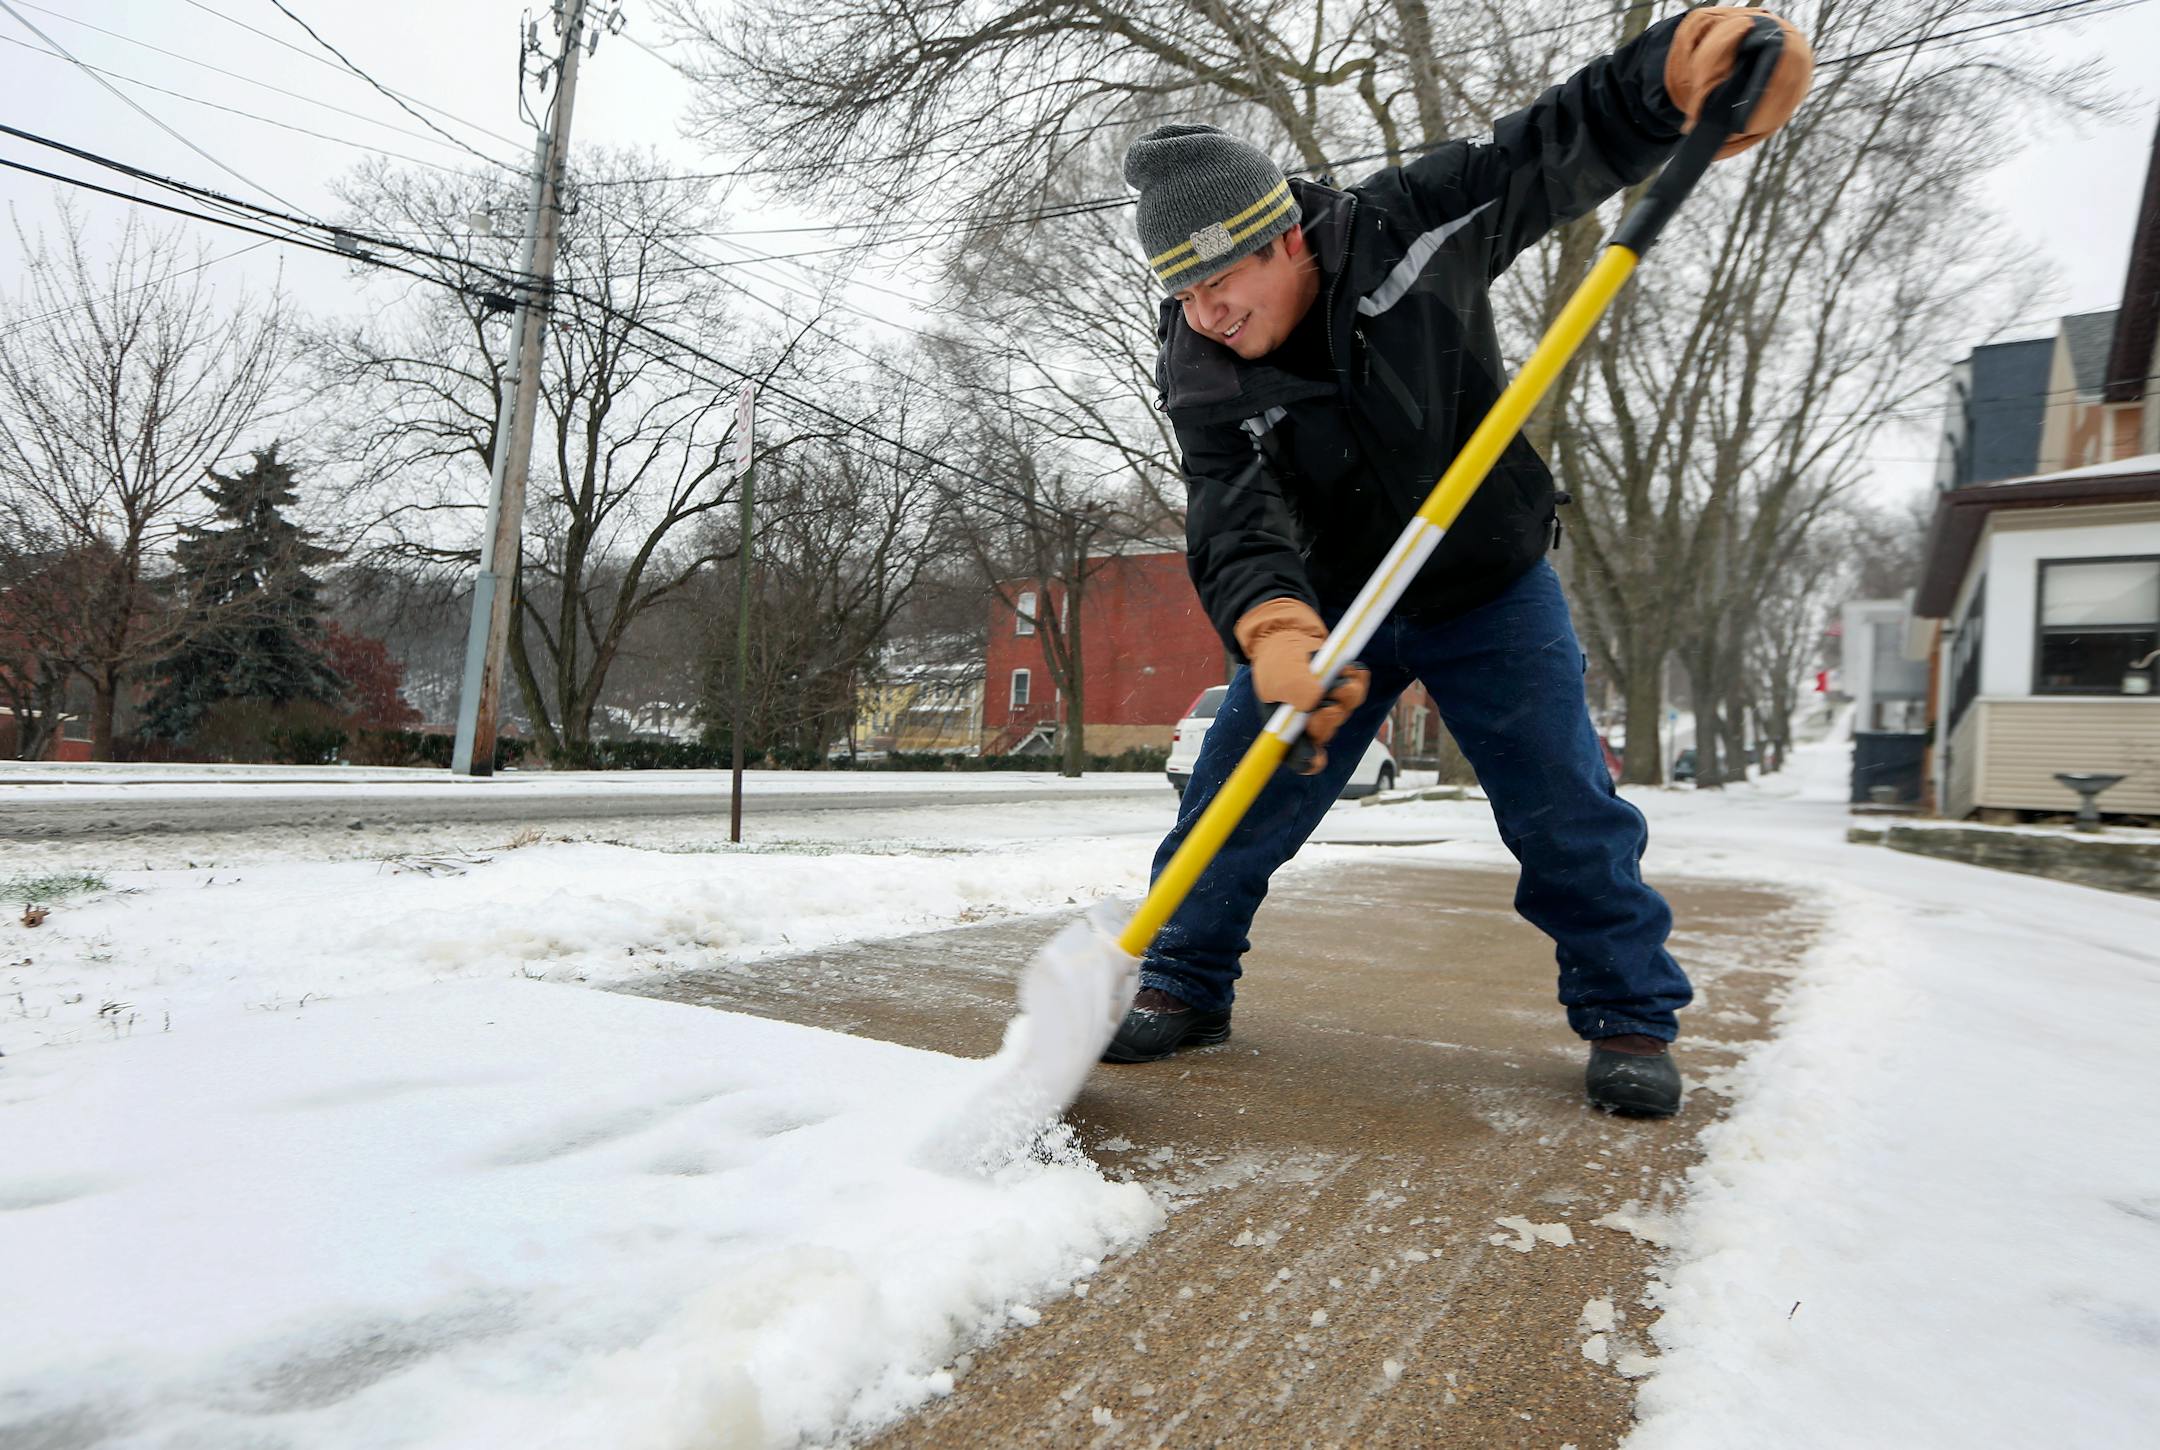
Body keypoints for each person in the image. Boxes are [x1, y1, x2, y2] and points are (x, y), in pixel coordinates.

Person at [1103, 7, 1812, 1117]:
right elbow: (1230, 513)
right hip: (1330, 605)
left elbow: (1539, 151)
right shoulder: (1201, 367)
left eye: (1220, 279)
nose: (1207, 311)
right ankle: (1185, 983)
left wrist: (1673, 76)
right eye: (1182, 292)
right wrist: (1275, 629)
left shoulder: (1403, 228)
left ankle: (1627, 1009)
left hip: (1486, 581)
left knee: (1562, 807)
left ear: (1283, 233)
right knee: (1230, 804)